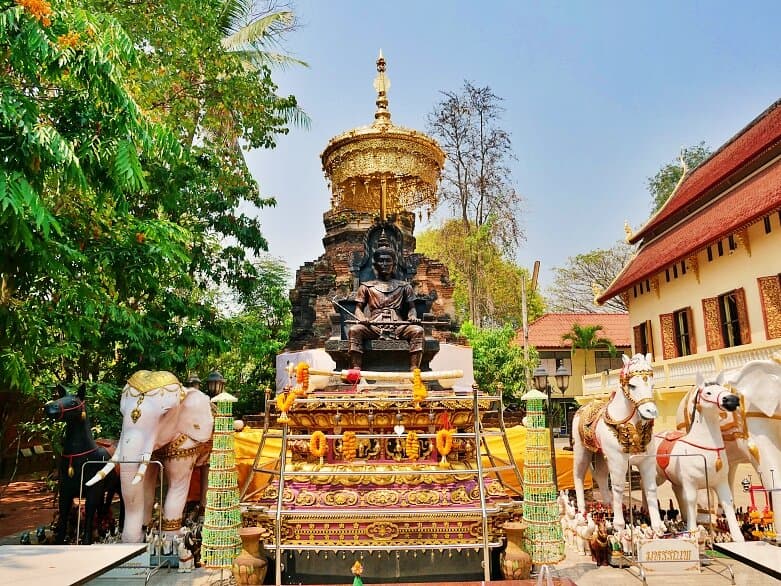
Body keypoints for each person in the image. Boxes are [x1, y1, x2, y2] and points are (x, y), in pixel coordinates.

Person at [348, 245, 424, 371]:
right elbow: (358, 308)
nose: (384, 264)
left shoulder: (405, 286)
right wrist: (362, 318)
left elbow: (411, 307)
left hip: (399, 325)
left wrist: (412, 316)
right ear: (375, 264)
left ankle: (414, 369)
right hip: (374, 326)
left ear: (394, 263)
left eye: (388, 260)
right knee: (355, 330)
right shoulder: (366, 286)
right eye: (381, 260)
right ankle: (356, 369)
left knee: (417, 331)